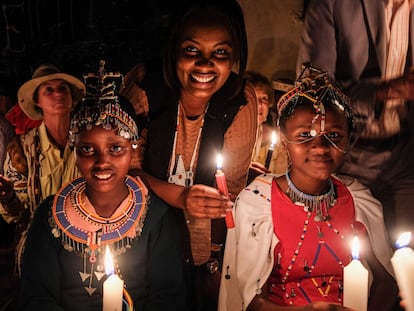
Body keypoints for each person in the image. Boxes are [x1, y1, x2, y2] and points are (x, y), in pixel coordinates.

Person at [218, 65, 399, 311]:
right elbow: (247, 298)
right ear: (283, 139)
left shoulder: (359, 199)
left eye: (334, 136)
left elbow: (386, 283)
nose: (321, 147)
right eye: (305, 135)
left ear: (349, 138)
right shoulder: (258, 202)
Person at [122, 1, 257, 310]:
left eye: (220, 52)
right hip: (140, 245)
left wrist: (216, 263)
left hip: (202, 254)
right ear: (173, 50)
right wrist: (180, 196)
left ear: (235, 54)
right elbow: (122, 174)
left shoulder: (240, 100)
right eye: (192, 50)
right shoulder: (146, 86)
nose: (205, 64)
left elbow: (230, 190)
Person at [19, 63, 186, 310]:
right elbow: (36, 296)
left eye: (116, 148)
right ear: (73, 150)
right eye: (87, 149)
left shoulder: (155, 217)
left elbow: (168, 296)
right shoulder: (50, 216)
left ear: (134, 147)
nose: (102, 162)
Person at [296, 0, 414, 246]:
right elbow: (313, 91)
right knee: (353, 264)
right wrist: (385, 91)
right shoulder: (332, 5)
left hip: (405, 158)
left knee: (407, 264)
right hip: (349, 157)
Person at [0, 64, 85, 273]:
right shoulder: (21, 150)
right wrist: (8, 196)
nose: (57, 94)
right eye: (48, 90)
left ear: (71, 98)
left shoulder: (88, 143)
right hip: (38, 244)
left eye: (62, 88)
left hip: (85, 241)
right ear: (37, 101)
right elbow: (17, 215)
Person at [245, 71, 288, 181]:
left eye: (264, 98)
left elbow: (281, 177)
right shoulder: (227, 134)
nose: (259, 104)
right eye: (253, 97)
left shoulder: (279, 141)